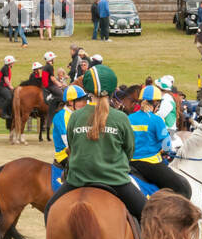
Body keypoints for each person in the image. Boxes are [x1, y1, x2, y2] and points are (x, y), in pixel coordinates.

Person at [44, 64, 146, 222]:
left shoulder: (75, 117)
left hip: (78, 179)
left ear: (88, 91)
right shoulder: (121, 118)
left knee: (49, 210)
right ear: (112, 90)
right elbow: (129, 150)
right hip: (115, 179)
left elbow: (73, 148)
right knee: (147, 214)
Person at [127, 86, 191, 198]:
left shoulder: (129, 118)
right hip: (150, 164)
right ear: (156, 103)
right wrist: (166, 150)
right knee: (182, 188)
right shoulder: (157, 120)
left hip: (130, 162)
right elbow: (166, 146)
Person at [0, 54, 16, 119]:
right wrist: (11, 87)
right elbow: (6, 79)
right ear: (9, 62)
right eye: (13, 62)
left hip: (4, 86)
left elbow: (8, 79)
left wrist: (11, 86)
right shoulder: (5, 68)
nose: (13, 63)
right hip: (0, 87)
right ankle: (3, 113)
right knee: (9, 97)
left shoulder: (7, 68)